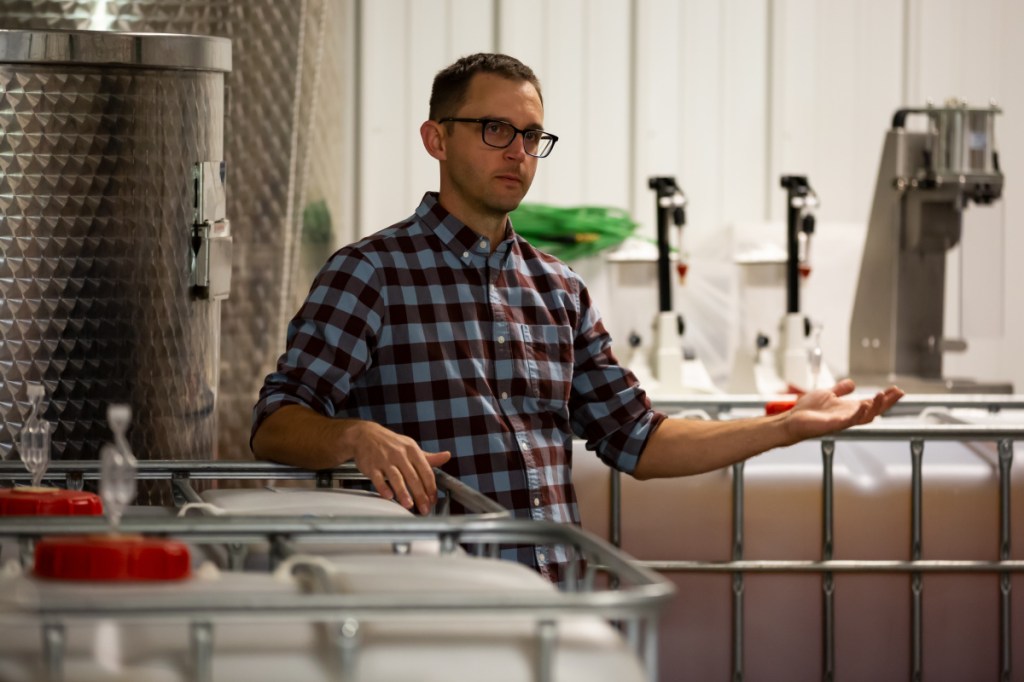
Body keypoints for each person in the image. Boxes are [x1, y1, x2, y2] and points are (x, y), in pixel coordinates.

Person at [251, 52, 903, 583]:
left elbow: (639, 439)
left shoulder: (559, 290)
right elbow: (275, 424)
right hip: (431, 601)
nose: (518, 152)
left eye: (532, 136)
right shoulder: (371, 273)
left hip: (552, 597)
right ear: (436, 138)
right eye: (495, 130)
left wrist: (785, 428)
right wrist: (354, 437)